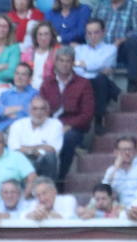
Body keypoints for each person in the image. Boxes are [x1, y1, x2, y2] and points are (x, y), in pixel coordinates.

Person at [39, 45, 94, 177]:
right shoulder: (47, 83)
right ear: (56, 62)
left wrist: (68, 125)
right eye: (61, 60)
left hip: (72, 128)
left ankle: (60, 178)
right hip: (49, 126)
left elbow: (87, 114)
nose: (64, 64)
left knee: (67, 139)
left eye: (68, 61)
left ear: (73, 63)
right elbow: (41, 109)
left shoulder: (83, 83)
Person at [7, 95, 63, 178]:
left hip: (45, 163)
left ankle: (47, 189)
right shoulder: (17, 125)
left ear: (47, 111)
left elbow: (53, 149)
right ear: (29, 110)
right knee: (21, 159)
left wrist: (27, 149)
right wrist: (40, 147)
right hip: (24, 161)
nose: (38, 112)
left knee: (49, 156)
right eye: (35, 109)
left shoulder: (55, 124)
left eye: (42, 109)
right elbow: (14, 149)